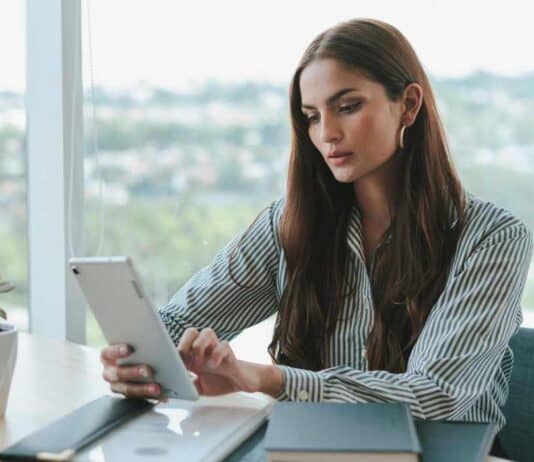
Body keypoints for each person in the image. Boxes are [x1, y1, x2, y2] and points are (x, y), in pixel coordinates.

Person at [99, 18, 532, 456]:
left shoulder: (492, 239)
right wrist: (137, 364)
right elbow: (174, 325)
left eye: (347, 107)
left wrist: (267, 378)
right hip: (308, 451)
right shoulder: (289, 225)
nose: (326, 134)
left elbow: (435, 394)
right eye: (311, 117)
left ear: (409, 105)